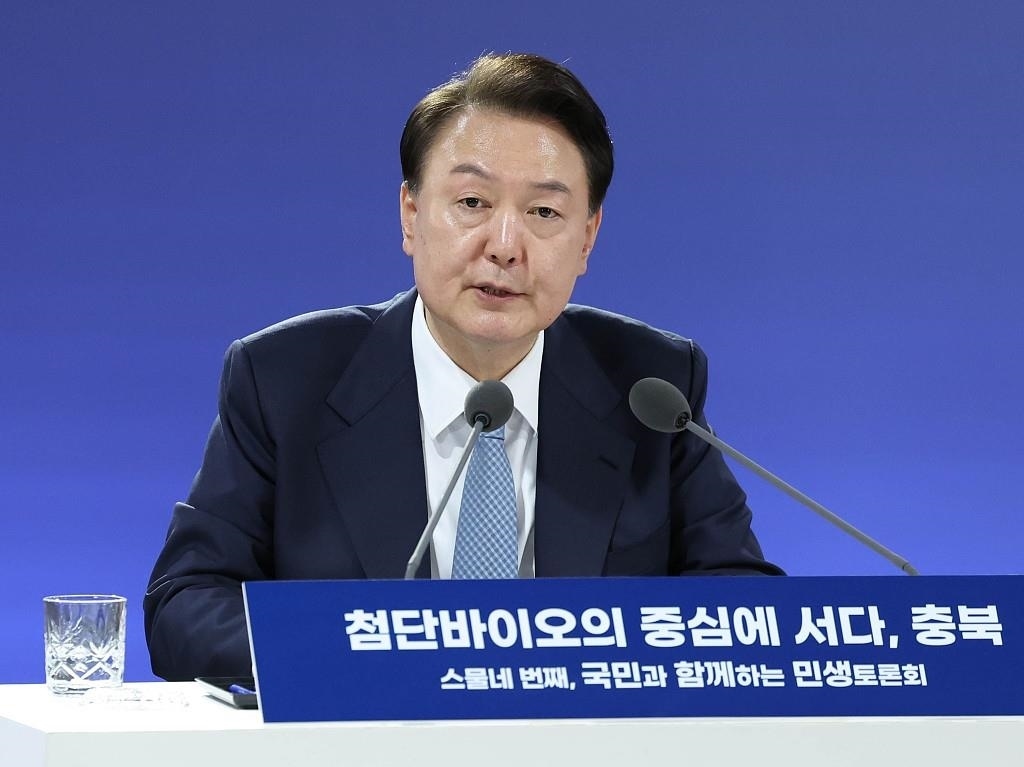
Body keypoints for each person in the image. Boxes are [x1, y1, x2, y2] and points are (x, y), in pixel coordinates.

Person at [144, 52, 783, 682]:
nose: (504, 247)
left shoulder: (652, 388)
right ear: (411, 215)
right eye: (473, 201)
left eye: (544, 212)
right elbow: (187, 604)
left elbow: (744, 606)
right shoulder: (285, 379)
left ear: (587, 239)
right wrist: (359, 658)